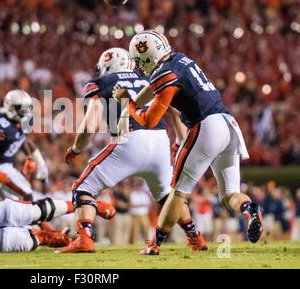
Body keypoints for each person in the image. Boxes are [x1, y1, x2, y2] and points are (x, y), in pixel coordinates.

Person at [113, 30, 263, 255]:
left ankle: (154, 244)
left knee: (178, 193)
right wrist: (133, 97)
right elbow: (151, 91)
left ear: (148, 56)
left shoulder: (164, 74)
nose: (138, 65)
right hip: (229, 124)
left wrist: (128, 103)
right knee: (229, 195)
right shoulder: (180, 59)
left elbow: (150, 119)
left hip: (206, 126)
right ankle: (248, 208)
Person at [59, 48, 206, 253]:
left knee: (83, 187)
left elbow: (91, 124)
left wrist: (76, 148)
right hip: (160, 140)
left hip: (129, 139)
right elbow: (173, 110)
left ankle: (84, 239)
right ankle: (196, 238)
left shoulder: (100, 82)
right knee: (167, 195)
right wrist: (180, 141)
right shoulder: (147, 78)